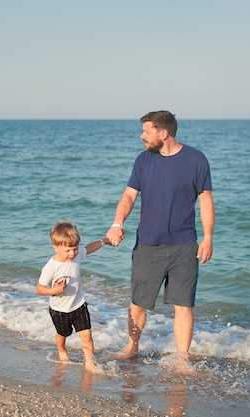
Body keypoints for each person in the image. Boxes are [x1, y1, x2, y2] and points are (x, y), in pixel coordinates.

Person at [106, 110, 214, 374]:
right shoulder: (143, 160)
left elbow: (205, 199)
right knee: (138, 302)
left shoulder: (196, 160)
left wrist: (208, 237)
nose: (142, 136)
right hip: (148, 245)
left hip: (184, 244)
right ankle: (132, 347)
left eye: (146, 131)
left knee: (183, 304)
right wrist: (117, 223)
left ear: (163, 133)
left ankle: (181, 357)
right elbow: (129, 196)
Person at [37, 220, 110, 373]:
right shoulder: (51, 267)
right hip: (59, 309)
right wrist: (54, 290)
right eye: (68, 250)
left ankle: (90, 362)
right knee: (63, 334)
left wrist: (104, 241)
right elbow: (40, 288)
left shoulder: (76, 255)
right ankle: (62, 349)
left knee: (87, 335)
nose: (72, 253)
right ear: (55, 247)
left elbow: (89, 248)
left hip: (78, 304)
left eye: (75, 249)